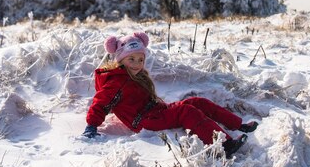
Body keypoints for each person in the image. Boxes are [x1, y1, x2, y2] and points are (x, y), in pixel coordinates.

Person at [82, 32, 258, 158]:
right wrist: (91, 126)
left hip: (155, 111)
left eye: (140, 59)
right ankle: (223, 145)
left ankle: (238, 124)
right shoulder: (116, 82)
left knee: (197, 102)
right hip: (145, 121)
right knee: (187, 112)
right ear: (120, 60)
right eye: (131, 59)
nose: (137, 64)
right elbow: (100, 103)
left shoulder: (135, 75)